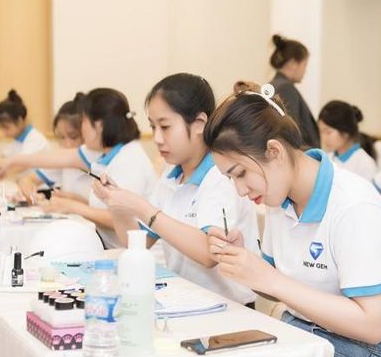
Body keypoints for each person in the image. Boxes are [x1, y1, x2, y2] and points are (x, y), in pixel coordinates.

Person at [202, 82, 381, 357]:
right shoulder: (278, 199)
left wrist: (271, 280)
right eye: (231, 179)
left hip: (359, 355)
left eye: (241, 173)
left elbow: (372, 325)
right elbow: (276, 285)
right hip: (301, 333)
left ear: (274, 151)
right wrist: (244, 263)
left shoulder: (354, 206)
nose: (240, 190)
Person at [91, 73, 258, 305]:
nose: (157, 138)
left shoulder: (221, 176)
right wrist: (117, 204)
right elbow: (136, 244)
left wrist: (142, 208)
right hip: (185, 300)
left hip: (230, 308)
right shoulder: (172, 176)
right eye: (152, 127)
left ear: (199, 123)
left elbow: (210, 253)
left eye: (165, 127)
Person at [0, 89, 156, 248]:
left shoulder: (129, 160)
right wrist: (10, 161)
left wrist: (72, 206)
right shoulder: (105, 151)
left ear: (99, 125)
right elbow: (58, 157)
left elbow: (122, 220)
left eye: (83, 121)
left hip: (123, 250)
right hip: (105, 243)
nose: (82, 129)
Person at [16, 98, 92, 203]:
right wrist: (30, 193)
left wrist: (77, 203)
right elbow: (28, 179)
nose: (67, 144)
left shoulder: (97, 161)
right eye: (61, 137)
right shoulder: (63, 161)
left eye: (74, 137)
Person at [269, 34, 319, 148]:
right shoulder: (285, 88)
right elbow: (292, 134)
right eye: (304, 64)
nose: (305, 71)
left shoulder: (273, 85)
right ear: (293, 63)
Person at [318, 100, 378, 181]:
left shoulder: (365, 164)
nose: (323, 138)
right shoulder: (327, 159)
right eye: (320, 132)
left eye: (328, 132)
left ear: (345, 132)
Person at [0, 89, 49, 158]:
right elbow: (2, 159)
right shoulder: (16, 141)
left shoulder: (35, 141)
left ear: (19, 121)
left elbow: (20, 163)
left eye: (6, 128)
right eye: (1, 129)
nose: (4, 133)